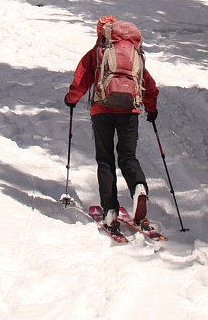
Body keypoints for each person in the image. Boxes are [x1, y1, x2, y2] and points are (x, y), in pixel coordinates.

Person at [64, 15, 159, 234]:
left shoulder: (98, 50)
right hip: (130, 110)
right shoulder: (133, 51)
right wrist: (151, 108)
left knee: (105, 160)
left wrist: (71, 99)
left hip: (102, 110)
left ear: (102, 31)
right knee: (128, 156)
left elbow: (82, 78)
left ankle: (110, 210)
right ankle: (139, 187)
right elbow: (146, 81)